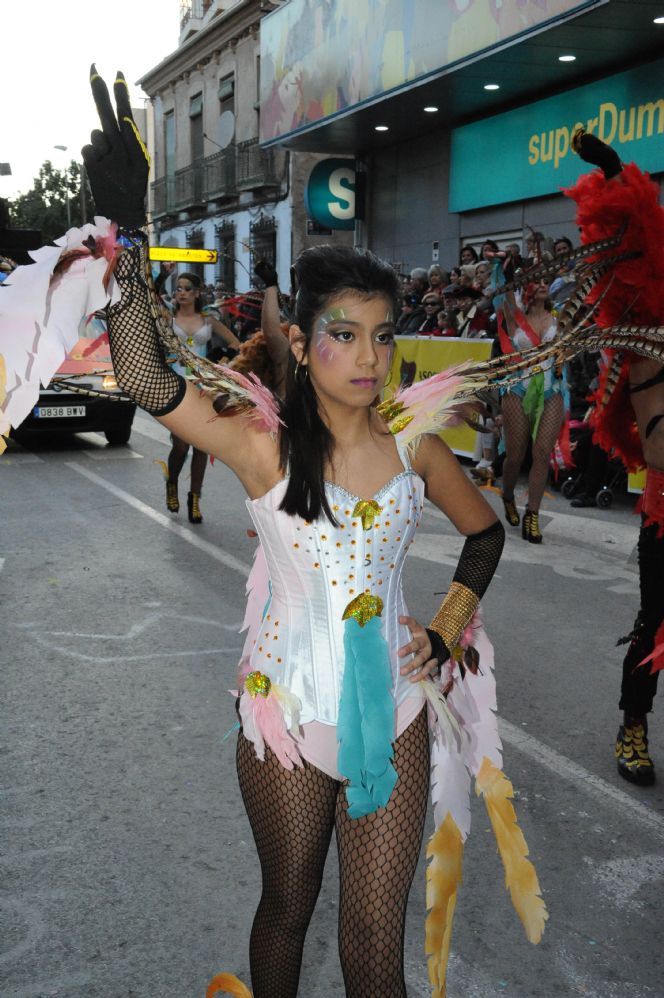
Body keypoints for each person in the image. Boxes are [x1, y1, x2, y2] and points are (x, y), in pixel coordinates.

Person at [65, 69, 548, 998]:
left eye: (380, 335)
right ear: (302, 341)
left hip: (400, 717)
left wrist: (445, 628)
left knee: (376, 942)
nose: (367, 356)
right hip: (284, 714)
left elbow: (484, 540)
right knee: (288, 910)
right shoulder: (262, 447)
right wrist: (125, 243)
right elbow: (145, 380)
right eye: (343, 333)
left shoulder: (419, 446)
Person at [567, 131, 664, 786]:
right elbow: (657, 450)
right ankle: (634, 725)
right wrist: (610, 172)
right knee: (655, 621)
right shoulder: (651, 347)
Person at [165, 272, 241, 523]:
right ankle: (172, 482)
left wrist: (220, 359)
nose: (182, 292)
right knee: (180, 446)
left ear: (197, 293)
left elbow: (235, 344)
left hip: (202, 389)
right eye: (178, 288)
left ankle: (194, 499)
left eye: (187, 288)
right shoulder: (168, 319)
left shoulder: (208, 320)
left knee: (201, 447)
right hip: (176, 388)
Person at [496, 277, 565, 542]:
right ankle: (508, 495)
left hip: (552, 389)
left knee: (542, 454)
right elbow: (502, 285)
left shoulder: (560, 316)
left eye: (545, 280)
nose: (542, 284)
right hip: (518, 389)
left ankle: (532, 515)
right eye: (535, 281)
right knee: (516, 456)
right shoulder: (513, 315)